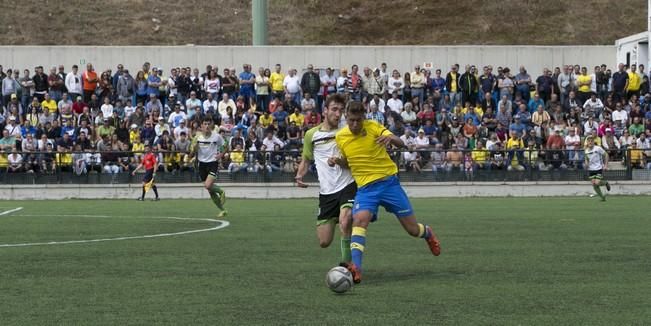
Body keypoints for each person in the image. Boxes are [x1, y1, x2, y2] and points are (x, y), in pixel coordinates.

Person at [331, 101, 441, 284]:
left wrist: (391, 139)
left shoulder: (374, 127)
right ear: (346, 118)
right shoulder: (341, 137)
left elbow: (401, 144)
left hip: (389, 183)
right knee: (358, 220)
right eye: (351, 120)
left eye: (358, 120)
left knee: (412, 230)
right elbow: (349, 162)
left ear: (364, 117)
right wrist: (338, 161)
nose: (355, 124)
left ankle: (428, 233)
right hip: (366, 189)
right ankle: (356, 268)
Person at [294, 94, 356, 264]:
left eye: (341, 111)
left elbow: (353, 162)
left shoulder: (347, 132)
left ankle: (347, 266)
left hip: (347, 185)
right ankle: (338, 217)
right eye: (334, 109)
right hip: (327, 192)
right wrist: (299, 175)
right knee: (324, 241)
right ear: (325, 111)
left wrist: (339, 161)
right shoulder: (311, 135)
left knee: (346, 220)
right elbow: (306, 160)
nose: (338, 114)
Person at [192, 117, 227, 217]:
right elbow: (192, 151)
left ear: (211, 125)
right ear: (201, 126)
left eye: (208, 124)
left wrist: (221, 155)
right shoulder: (197, 138)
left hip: (212, 163)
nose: (207, 126)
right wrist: (194, 148)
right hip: (202, 164)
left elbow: (226, 145)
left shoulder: (216, 136)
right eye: (205, 124)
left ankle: (221, 191)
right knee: (210, 190)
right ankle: (223, 210)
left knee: (208, 185)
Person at [584, 135, 611, 201]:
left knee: (597, 183)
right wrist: (586, 164)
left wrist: (606, 165)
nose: (590, 142)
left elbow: (606, 155)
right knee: (594, 184)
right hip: (591, 169)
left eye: (591, 141)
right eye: (589, 141)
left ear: (593, 142)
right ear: (587, 142)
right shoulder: (586, 151)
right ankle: (602, 198)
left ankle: (605, 183)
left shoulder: (598, 148)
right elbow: (586, 159)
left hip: (598, 168)